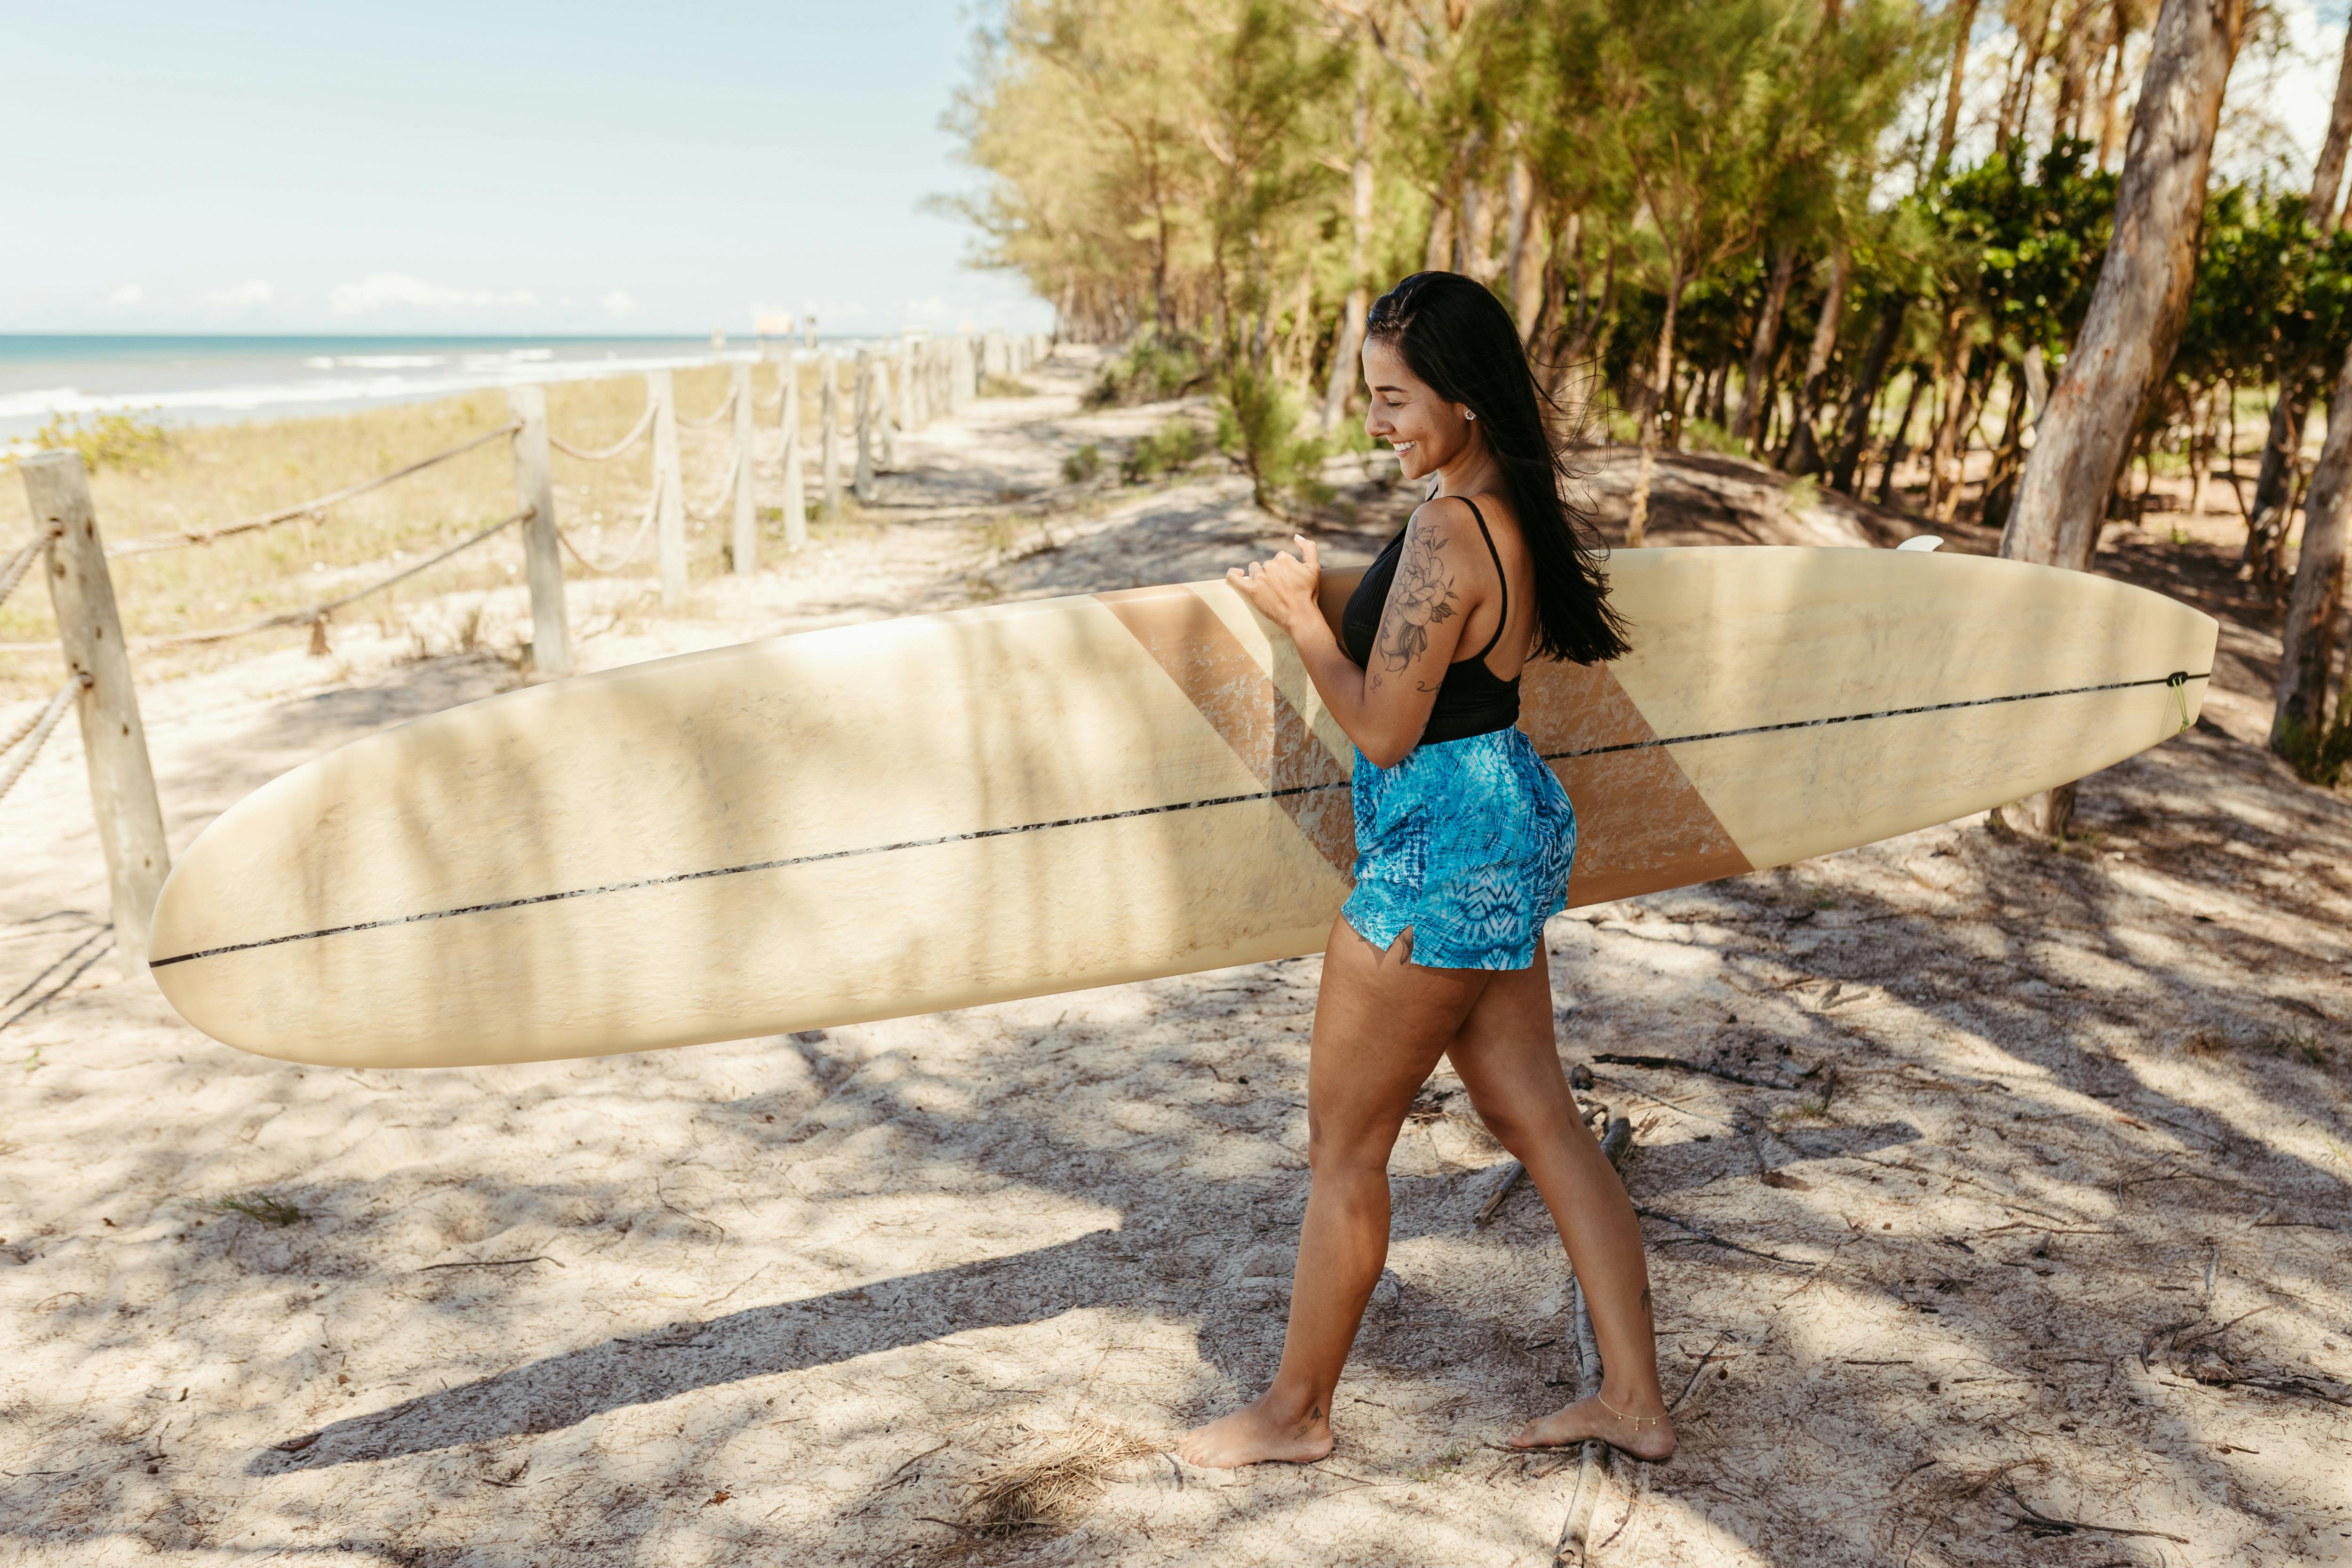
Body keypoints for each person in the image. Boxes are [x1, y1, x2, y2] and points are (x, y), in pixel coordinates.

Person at [1174, 271, 1672, 1470]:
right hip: (1496, 823)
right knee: (1539, 1116)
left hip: (1433, 847)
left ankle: (1293, 1413)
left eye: (1394, 398)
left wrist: (1298, 614)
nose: (1377, 420)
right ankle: (1635, 1400)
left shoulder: (1452, 528)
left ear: (1462, 396)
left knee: (1346, 1152)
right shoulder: (1503, 507)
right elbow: (1451, 676)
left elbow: (1387, 729)